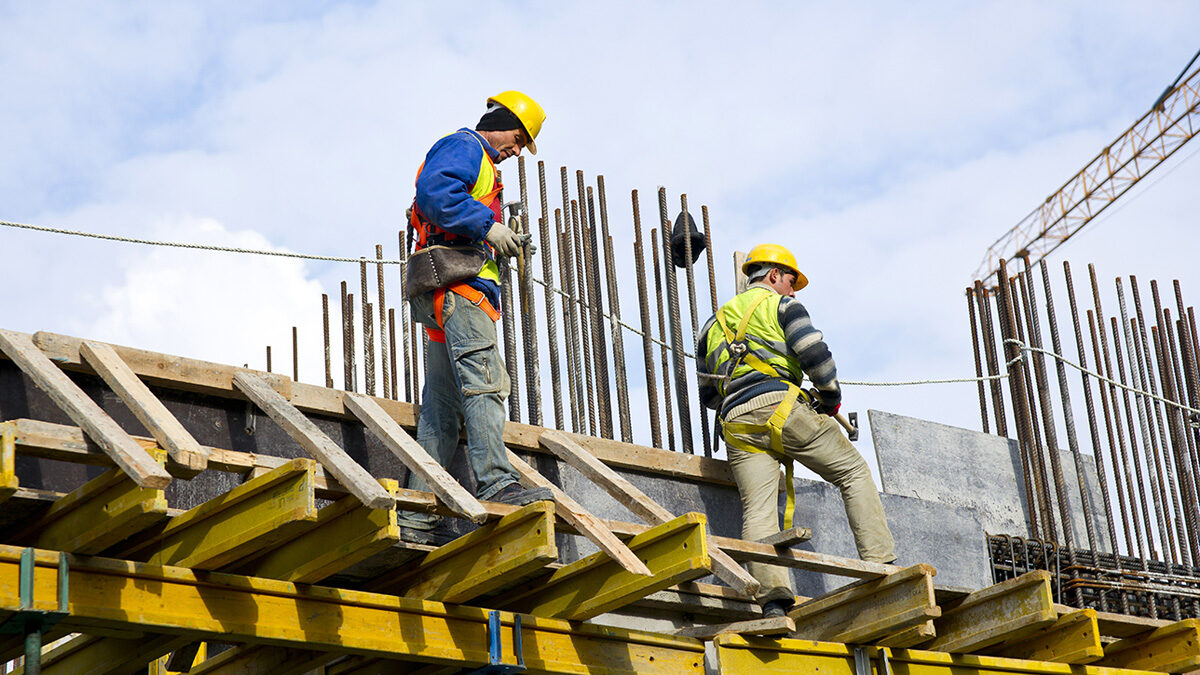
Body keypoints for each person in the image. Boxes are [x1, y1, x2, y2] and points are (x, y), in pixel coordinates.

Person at [697, 243, 895, 617]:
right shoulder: (782, 306)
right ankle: (883, 566)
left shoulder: (711, 325)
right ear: (773, 276)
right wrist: (830, 398)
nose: (792, 290)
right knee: (853, 472)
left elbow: (708, 393)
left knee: (757, 511)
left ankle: (772, 601)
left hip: (736, 423)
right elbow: (815, 354)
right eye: (790, 281)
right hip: (783, 408)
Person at [400, 91, 551, 544]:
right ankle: (498, 482)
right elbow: (435, 193)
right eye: (518, 138)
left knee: (442, 410)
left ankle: (417, 514)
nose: (517, 150)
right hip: (460, 291)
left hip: (446, 292)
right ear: (499, 121)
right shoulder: (466, 146)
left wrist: (493, 232)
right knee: (486, 384)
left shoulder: (482, 164)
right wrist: (489, 227)